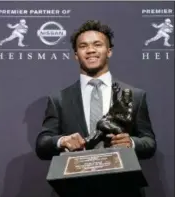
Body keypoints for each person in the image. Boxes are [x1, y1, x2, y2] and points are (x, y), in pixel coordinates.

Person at [35, 20, 156, 197]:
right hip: (74, 190)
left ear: (109, 51)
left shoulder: (134, 95)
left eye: (97, 44)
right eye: (83, 46)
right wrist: (62, 141)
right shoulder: (58, 99)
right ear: (76, 55)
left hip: (124, 190)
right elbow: (42, 144)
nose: (90, 50)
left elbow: (149, 143)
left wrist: (130, 143)